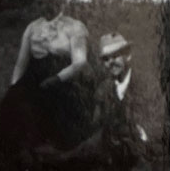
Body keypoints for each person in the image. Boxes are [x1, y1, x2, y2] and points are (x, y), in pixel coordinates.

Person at [0, 0, 93, 162]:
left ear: (56, 2)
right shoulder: (32, 28)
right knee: (13, 101)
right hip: (35, 74)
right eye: (38, 3)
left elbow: (80, 62)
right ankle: (24, 149)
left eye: (44, 2)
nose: (40, 7)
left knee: (53, 102)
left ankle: (52, 149)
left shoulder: (74, 26)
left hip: (66, 76)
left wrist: (57, 78)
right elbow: (21, 63)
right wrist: (14, 86)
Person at [55, 32, 161, 170]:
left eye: (115, 56)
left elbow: (155, 130)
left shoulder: (146, 86)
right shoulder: (104, 89)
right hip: (112, 156)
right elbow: (98, 128)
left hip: (144, 154)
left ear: (127, 55)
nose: (111, 62)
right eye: (106, 59)